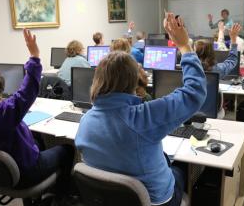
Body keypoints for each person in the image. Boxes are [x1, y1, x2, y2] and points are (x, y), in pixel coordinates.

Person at [75, 13, 207, 206]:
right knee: (182, 169)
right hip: (155, 201)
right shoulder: (143, 117)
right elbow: (194, 92)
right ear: (133, 80)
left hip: (109, 200)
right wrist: (185, 46)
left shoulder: (86, 120)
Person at [0, 29, 74, 198]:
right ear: (0, 92)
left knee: (37, 138)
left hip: (0, 176)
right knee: (67, 149)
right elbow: (27, 90)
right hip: (26, 173)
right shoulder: (4, 112)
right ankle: (63, 195)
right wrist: (34, 55)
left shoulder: (5, 112)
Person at [194, 24, 241, 118]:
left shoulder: (188, 68)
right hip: (212, 113)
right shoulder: (217, 69)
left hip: (190, 111)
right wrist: (233, 40)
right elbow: (232, 60)